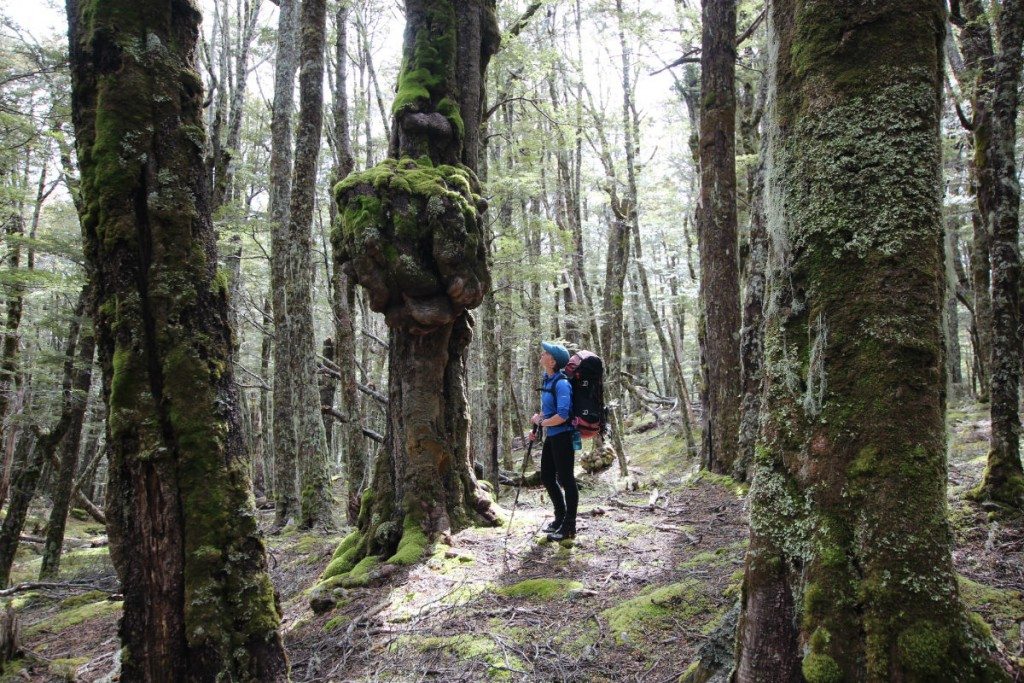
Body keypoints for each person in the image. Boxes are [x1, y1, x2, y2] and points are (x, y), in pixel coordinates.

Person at [531, 341, 578, 541]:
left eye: (545, 353)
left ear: (552, 360)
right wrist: (538, 421)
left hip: (563, 436)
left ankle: (569, 526)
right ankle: (559, 518)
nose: (541, 355)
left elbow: (563, 415)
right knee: (548, 477)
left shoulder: (562, 383)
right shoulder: (548, 380)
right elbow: (548, 411)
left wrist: (543, 424)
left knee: (566, 480)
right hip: (552, 436)